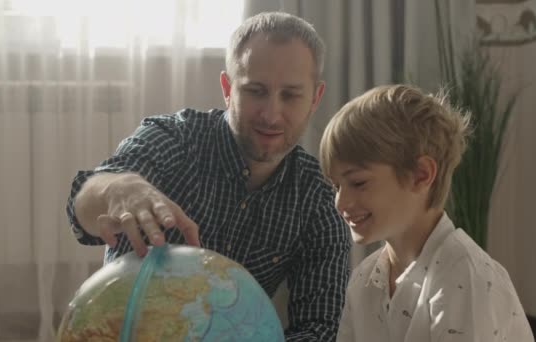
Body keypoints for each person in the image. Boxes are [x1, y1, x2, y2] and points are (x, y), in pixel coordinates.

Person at [66, 11, 351, 340]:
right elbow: (82, 208)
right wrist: (118, 187)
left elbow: (320, 329)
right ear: (228, 88)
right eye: (255, 91)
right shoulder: (175, 138)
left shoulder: (319, 200)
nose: (272, 114)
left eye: (290, 95)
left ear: (315, 98)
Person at [319, 84, 534, 341]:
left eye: (358, 183)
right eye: (336, 186)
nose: (340, 203)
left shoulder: (464, 278)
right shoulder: (364, 280)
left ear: (421, 175)